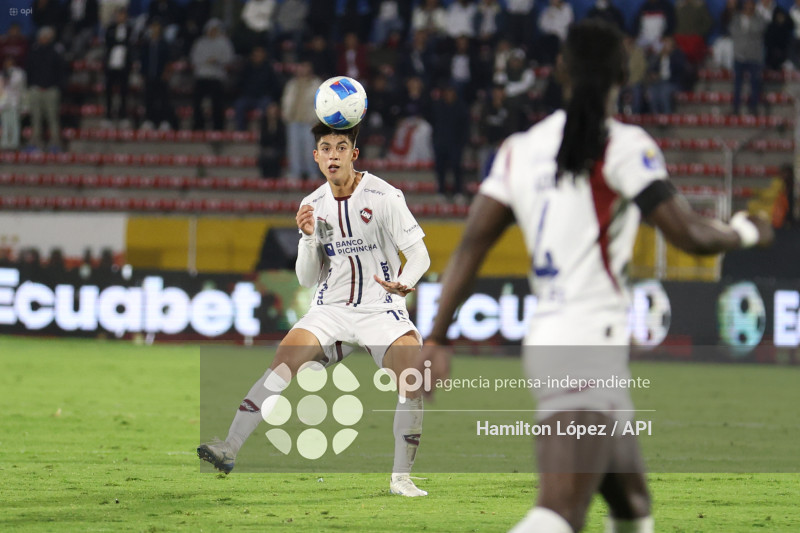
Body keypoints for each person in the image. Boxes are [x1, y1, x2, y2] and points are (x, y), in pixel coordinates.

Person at [418, 19, 774, 533]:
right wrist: (745, 231)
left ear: (560, 70)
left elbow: (472, 244)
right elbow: (691, 236)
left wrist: (439, 334)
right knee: (560, 510)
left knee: (632, 507)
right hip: (586, 344)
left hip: (552, 340)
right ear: (622, 78)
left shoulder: (521, 149)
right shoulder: (624, 145)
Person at [198, 120, 432, 498]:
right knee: (281, 363)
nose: (333, 154)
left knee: (413, 373)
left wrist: (406, 280)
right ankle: (229, 447)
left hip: (379, 307)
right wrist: (307, 239)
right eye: (326, 148)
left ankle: (401, 478)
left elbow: (419, 254)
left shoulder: (385, 196)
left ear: (354, 155)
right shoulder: (312, 205)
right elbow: (308, 278)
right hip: (332, 309)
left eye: (341, 147)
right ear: (316, 157)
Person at [190, 19, 234, 131]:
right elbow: (194, 60)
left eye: (215, 30)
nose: (213, 32)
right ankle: (198, 126)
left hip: (217, 77)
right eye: (211, 30)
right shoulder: (200, 43)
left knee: (217, 103)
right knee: (197, 101)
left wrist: (217, 60)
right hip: (202, 77)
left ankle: (218, 127)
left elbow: (229, 60)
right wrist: (207, 61)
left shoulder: (224, 43)